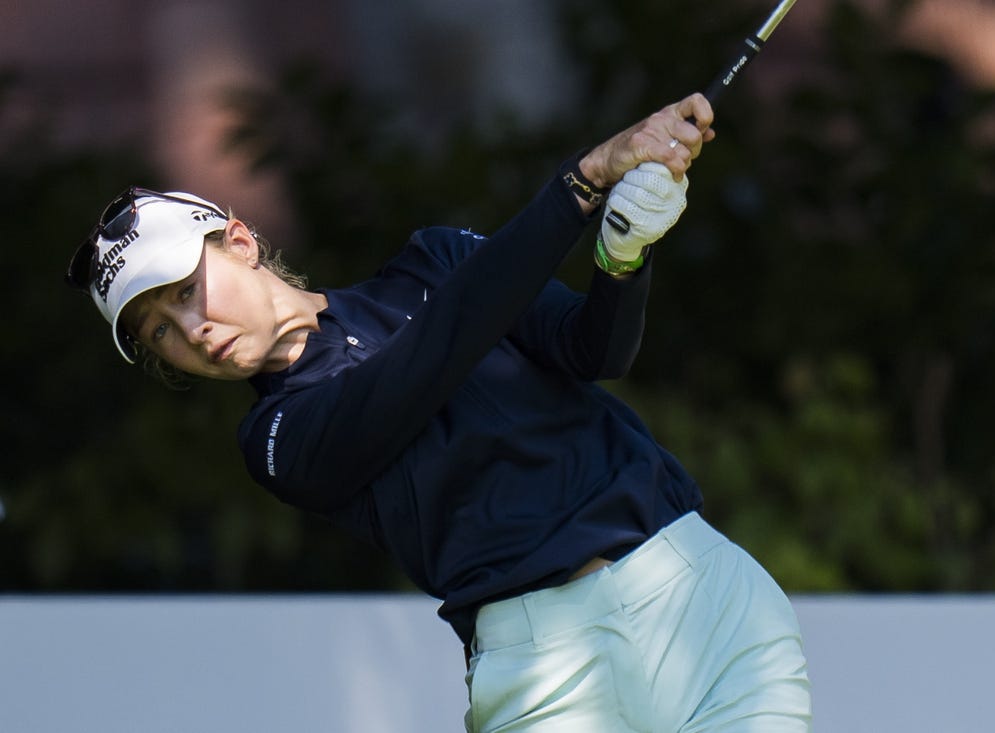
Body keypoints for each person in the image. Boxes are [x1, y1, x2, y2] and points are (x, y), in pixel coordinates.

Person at [66, 93, 811, 732]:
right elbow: (429, 359)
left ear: (239, 240)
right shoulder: (277, 439)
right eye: (159, 329)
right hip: (545, 670)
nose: (192, 330)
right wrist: (582, 183)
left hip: (693, 590)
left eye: (186, 289)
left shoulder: (436, 262)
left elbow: (591, 351)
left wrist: (624, 257)